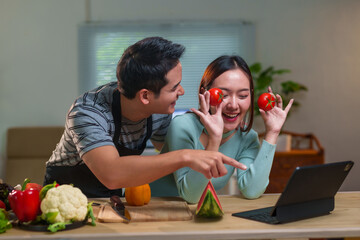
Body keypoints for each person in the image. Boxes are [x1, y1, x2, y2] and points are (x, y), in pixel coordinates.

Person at [44, 37, 246, 198]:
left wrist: (217, 130)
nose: (182, 91)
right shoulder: (87, 113)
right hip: (65, 197)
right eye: (175, 87)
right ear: (145, 96)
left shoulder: (159, 113)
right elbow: (112, 174)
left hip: (113, 198)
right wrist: (185, 156)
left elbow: (167, 150)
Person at [151, 55, 293, 203]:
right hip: (151, 210)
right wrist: (214, 139)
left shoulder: (247, 138)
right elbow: (191, 196)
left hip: (197, 217)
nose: (233, 105)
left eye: (243, 96)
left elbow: (252, 191)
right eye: (223, 95)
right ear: (203, 93)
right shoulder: (183, 126)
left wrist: (273, 133)